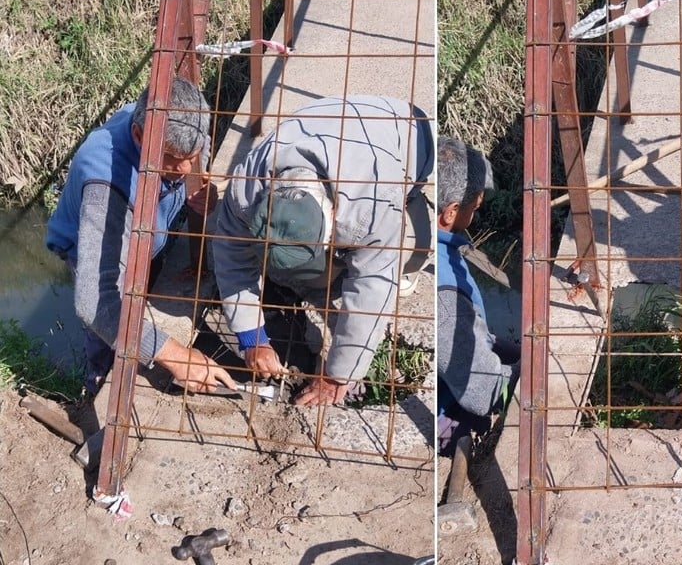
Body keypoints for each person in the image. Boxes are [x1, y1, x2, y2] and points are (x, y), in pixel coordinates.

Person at [213, 95, 434, 406]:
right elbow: (231, 257)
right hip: (329, 124)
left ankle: (404, 253)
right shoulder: (246, 189)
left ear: (332, 214)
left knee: (411, 252)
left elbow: (372, 290)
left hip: (407, 134)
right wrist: (252, 336)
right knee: (314, 277)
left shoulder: (372, 205)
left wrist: (337, 376)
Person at [46, 76, 234, 395]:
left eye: (193, 155)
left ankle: (133, 335)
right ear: (138, 135)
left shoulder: (173, 124)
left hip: (145, 231)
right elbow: (95, 303)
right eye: (173, 159)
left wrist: (203, 191)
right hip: (92, 240)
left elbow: (189, 162)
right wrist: (176, 356)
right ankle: (98, 379)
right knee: (106, 322)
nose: (186, 169)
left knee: (138, 293)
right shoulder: (105, 186)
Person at [436, 137, 520, 457]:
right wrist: (527, 371)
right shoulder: (446, 298)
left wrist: (507, 349)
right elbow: (484, 391)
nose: (475, 214)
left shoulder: (434, 245)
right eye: (474, 207)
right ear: (451, 212)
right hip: (446, 410)